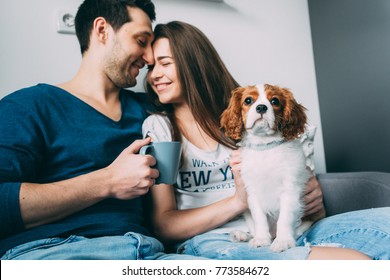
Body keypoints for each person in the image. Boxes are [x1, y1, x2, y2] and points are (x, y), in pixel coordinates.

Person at [142, 20, 390, 260]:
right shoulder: (162, 128)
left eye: (164, 63)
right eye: (151, 67)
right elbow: (165, 225)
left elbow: (291, 165)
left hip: (290, 226)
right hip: (214, 238)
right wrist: (239, 201)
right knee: (349, 262)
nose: (155, 76)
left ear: (194, 64)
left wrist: (311, 196)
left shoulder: (246, 112)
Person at [0, 0, 205, 260]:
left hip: (147, 253)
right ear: (102, 30)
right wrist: (108, 182)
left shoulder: (150, 112)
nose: (149, 58)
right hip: (54, 251)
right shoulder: (29, 106)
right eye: (142, 41)